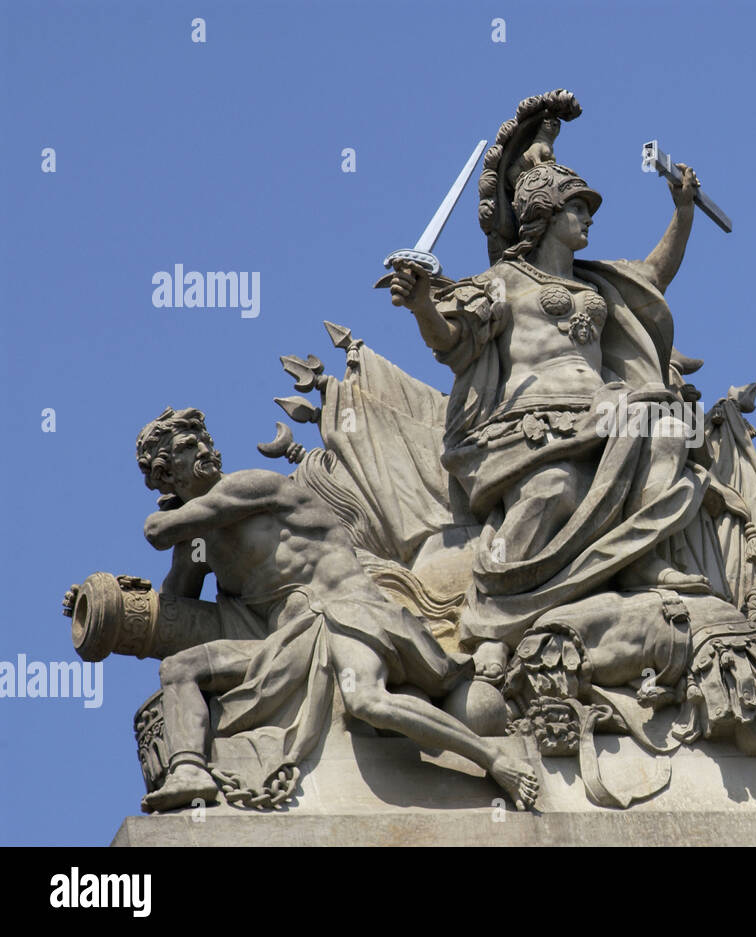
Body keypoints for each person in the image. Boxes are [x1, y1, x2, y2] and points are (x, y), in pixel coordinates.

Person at [388, 124, 724, 669]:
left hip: (606, 413)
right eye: (577, 207)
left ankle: (638, 557)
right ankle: (493, 619)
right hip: (532, 425)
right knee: (553, 491)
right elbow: (452, 343)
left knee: (665, 420)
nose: (588, 217)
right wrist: (423, 304)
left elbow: (653, 276)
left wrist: (682, 215)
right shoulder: (503, 281)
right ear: (545, 213)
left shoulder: (598, 285)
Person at [134, 407, 539, 811]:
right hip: (287, 643)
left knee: (366, 701)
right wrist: (119, 599)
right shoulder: (195, 545)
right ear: (166, 473)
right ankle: (189, 771)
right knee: (179, 669)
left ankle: (495, 759)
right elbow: (177, 612)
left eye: (205, 439)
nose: (206, 448)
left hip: (344, 613)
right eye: (190, 446)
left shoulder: (248, 488)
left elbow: (157, 531)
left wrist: (174, 520)